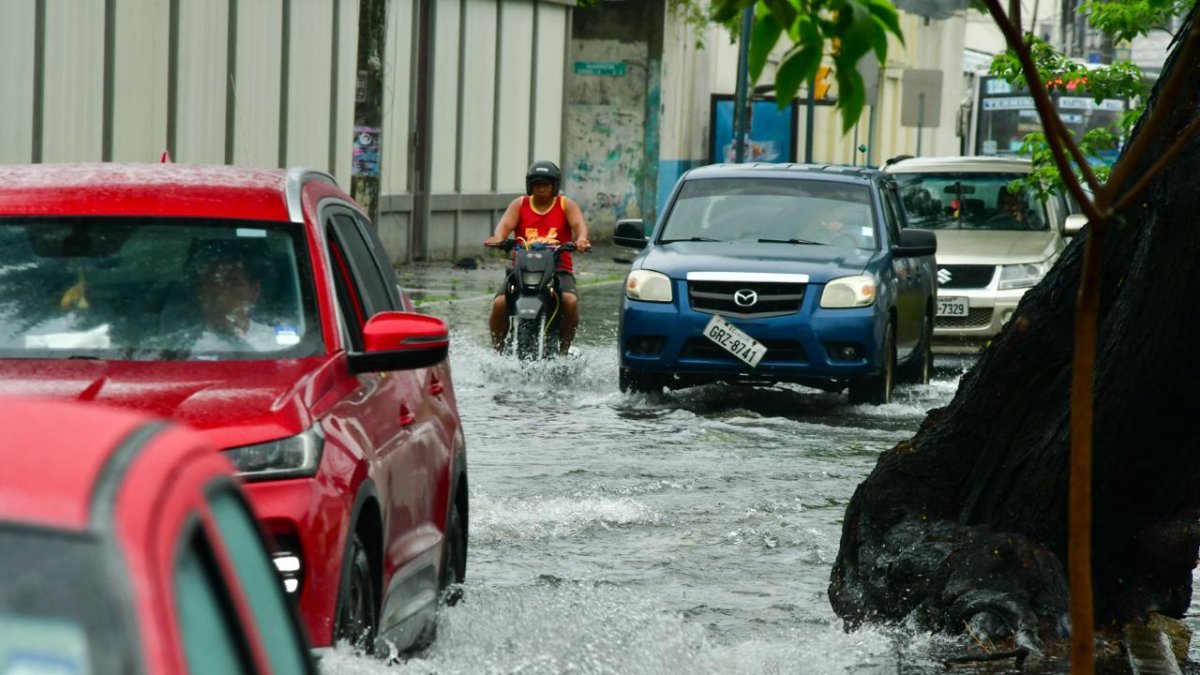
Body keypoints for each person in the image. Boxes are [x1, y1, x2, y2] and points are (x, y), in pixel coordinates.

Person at [484, 160, 592, 353]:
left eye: (545, 184)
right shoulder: (520, 204)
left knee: (570, 301)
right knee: (499, 303)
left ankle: (564, 350)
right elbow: (504, 225)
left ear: (554, 186)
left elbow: (579, 225)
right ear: (530, 186)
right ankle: (497, 350)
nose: (541, 189)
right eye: (536, 184)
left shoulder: (565, 205)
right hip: (523, 269)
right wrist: (499, 238)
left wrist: (581, 240)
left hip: (558, 270)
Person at [192, 248, 278, 352]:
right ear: (201, 292)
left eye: (233, 283)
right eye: (213, 283)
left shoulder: (274, 342)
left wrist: (234, 335)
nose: (222, 292)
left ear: (254, 291)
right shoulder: (185, 344)